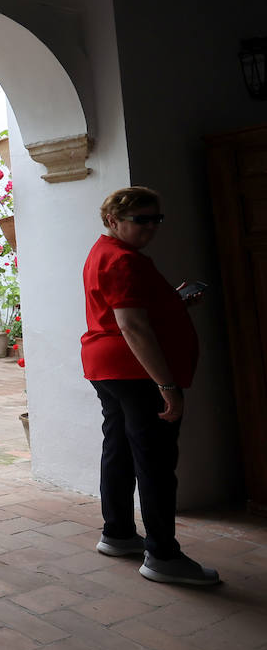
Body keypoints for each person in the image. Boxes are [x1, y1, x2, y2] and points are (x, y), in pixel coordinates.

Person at [80, 186, 219, 585]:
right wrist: (168, 385)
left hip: (108, 368)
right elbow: (132, 326)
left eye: (156, 219)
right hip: (135, 372)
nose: (151, 228)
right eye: (140, 220)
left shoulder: (103, 252)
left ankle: (119, 533)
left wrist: (173, 303)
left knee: (120, 450)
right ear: (112, 220)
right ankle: (162, 555)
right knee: (156, 463)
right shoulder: (123, 260)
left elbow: (131, 311)